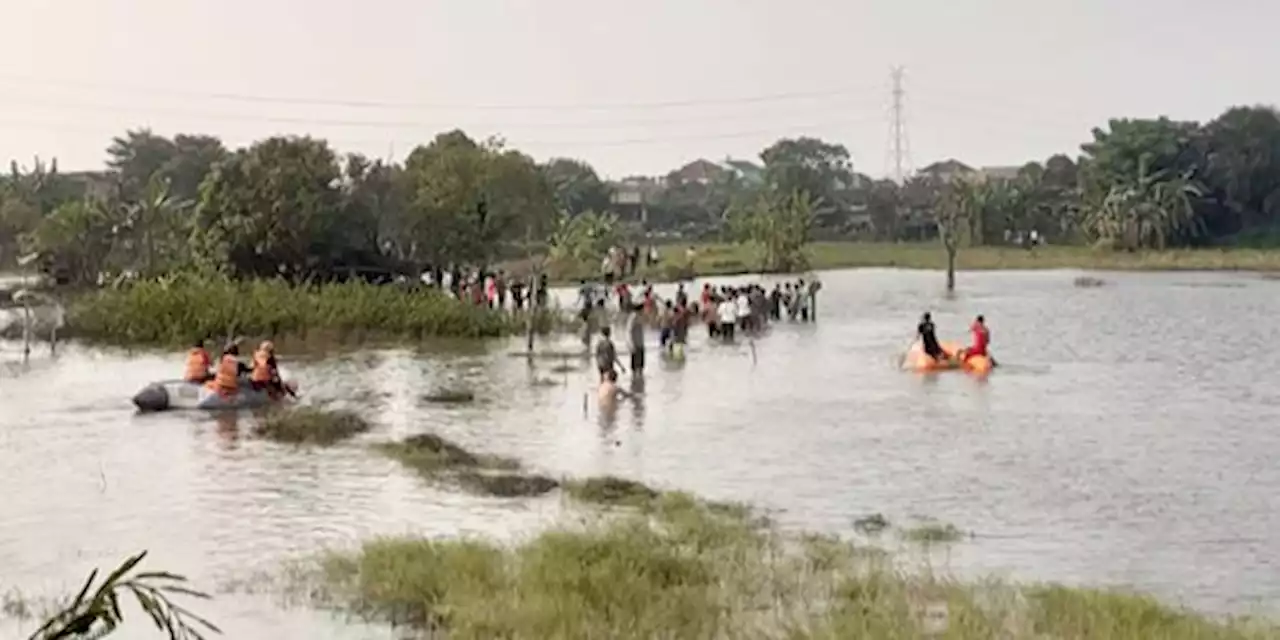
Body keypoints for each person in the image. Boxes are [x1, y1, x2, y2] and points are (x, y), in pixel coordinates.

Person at [627, 306, 646, 376]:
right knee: (636, 365)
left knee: (640, 364)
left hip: (639, 343)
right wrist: (631, 344)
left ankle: (638, 380)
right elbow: (629, 331)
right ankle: (635, 379)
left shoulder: (638, 316)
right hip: (636, 344)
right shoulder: (633, 317)